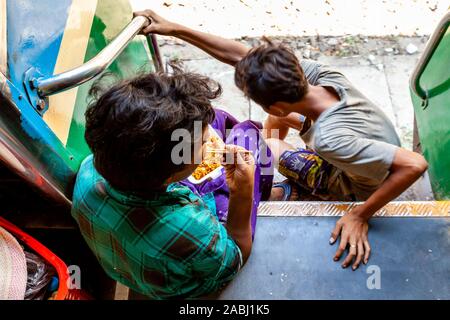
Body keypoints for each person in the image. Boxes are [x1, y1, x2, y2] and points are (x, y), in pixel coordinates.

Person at [134, 9, 429, 270]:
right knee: (273, 132)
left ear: (275, 105)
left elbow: (414, 165)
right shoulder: (319, 75)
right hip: (370, 145)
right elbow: (242, 57)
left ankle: (289, 191)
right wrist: (174, 28)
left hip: (356, 184)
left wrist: (360, 215)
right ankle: (272, 169)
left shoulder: (330, 139)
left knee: (272, 146)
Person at [71, 66, 274, 299]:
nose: (210, 143)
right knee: (247, 136)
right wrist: (243, 191)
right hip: (188, 285)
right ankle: (267, 190)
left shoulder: (89, 169)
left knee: (216, 118)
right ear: (172, 175)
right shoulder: (192, 228)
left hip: (129, 263)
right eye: (204, 143)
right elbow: (236, 255)